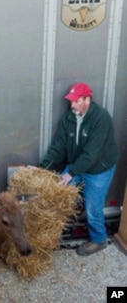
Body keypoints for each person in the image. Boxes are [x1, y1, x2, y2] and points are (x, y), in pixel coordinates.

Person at [40, 82, 119, 256]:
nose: (72, 104)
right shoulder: (69, 118)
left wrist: (70, 173)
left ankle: (99, 240)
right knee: (58, 192)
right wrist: (41, 170)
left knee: (93, 207)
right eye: (71, 101)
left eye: (76, 101)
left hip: (99, 169)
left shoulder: (101, 119)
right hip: (78, 165)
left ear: (87, 100)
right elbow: (58, 148)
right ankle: (51, 235)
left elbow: (92, 154)